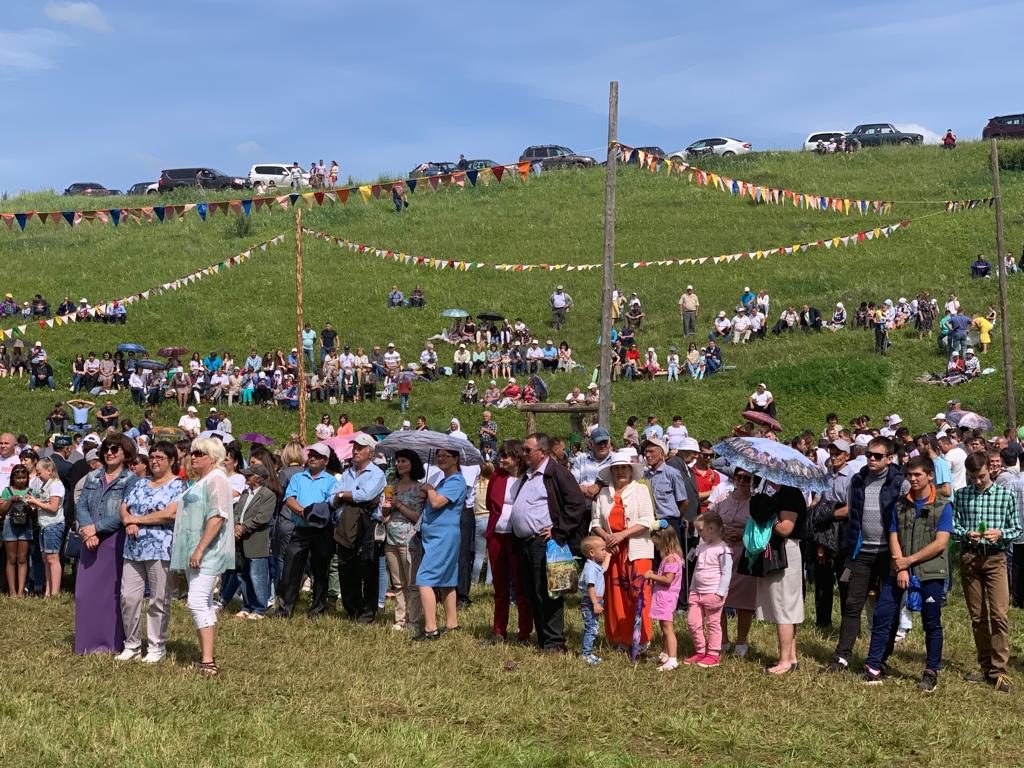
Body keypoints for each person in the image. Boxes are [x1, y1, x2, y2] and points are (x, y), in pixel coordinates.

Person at [861, 456, 952, 690]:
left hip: (931, 572)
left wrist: (908, 562)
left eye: (917, 475)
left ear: (930, 475)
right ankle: (874, 664)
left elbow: (941, 543)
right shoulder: (900, 505)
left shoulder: (942, 506)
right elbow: (893, 535)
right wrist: (899, 565)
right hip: (898, 568)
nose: (912, 479)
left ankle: (931, 670)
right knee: (884, 614)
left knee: (931, 622)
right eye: (909, 475)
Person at [824, 436, 903, 673]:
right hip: (862, 551)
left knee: (887, 608)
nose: (871, 459)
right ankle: (842, 656)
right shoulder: (857, 480)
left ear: (889, 459)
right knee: (852, 604)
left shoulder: (899, 481)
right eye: (869, 454)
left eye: (877, 456)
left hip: (889, 553)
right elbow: (852, 515)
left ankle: (880, 656)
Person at [510, 433, 589, 651]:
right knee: (533, 591)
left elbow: (577, 504)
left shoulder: (556, 473)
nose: (524, 454)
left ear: (542, 453)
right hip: (526, 542)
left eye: (528, 450)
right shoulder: (528, 475)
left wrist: (559, 531)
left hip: (544, 543)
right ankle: (544, 638)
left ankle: (554, 642)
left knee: (549, 592)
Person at [953, 451, 1021, 692]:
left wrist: (1001, 533)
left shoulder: (1005, 496)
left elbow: (1017, 529)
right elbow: (955, 526)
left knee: (999, 615)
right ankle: (985, 667)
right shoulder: (961, 496)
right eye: (973, 477)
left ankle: (999, 670)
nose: (977, 481)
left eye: (981, 476)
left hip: (995, 560)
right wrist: (965, 533)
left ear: (990, 471)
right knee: (978, 617)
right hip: (970, 558)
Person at [170, 437, 234, 676]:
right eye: (192, 453)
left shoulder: (217, 479)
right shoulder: (203, 480)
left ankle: (208, 660)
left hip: (208, 553)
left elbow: (217, 516)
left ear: (213, 458)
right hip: (196, 551)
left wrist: (199, 548)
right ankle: (206, 655)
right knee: (203, 603)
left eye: (199, 453)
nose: (193, 456)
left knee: (196, 601)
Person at [116, 441, 185, 662]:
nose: (154, 461)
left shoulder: (178, 486)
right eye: (152, 457)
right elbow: (124, 505)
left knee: (158, 599)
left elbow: (169, 514)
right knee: (129, 597)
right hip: (134, 547)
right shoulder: (139, 483)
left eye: (160, 457)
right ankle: (132, 644)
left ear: (172, 461)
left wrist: (137, 519)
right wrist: (128, 521)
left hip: (160, 548)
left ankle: (156, 646)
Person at [74, 434, 139, 654]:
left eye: (115, 449)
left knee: (109, 594)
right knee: (84, 593)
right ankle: (86, 642)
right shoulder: (92, 476)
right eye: (107, 449)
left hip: (113, 540)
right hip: (88, 539)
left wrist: (97, 528)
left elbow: (125, 512)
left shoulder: (131, 480)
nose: (109, 452)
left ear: (125, 453)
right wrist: (87, 529)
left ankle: (108, 644)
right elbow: (81, 505)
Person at [589, 450, 656, 653]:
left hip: (637, 549)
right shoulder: (603, 494)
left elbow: (647, 520)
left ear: (630, 469)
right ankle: (622, 638)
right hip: (613, 551)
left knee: (639, 593)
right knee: (616, 595)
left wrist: (623, 534)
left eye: (623, 468)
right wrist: (608, 536)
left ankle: (642, 638)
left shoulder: (640, 490)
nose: (620, 472)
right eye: (616, 468)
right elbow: (595, 522)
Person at [744, 480, 807, 674]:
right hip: (781, 551)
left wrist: (767, 515)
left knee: (784, 607)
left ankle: (784, 662)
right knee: (785, 607)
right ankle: (792, 658)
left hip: (785, 552)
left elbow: (785, 528)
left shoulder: (790, 493)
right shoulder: (782, 492)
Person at [275, 443, 337, 618]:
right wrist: (305, 513)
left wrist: (313, 515)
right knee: (291, 569)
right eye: (311, 455)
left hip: (321, 531)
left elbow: (329, 504)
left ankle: (317, 609)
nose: (313, 458)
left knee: (320, 570)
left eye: (317, 456)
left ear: (325, 461)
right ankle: (285, 608)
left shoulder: (331, 481)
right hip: (300, 528)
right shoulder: (298, 478)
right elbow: (289, 499)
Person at [331, 434, 386, 624]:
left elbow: (366, 495)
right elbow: (332, 497)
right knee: (346, 566)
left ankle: (367, 610)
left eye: (360, 448)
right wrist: (345, 495)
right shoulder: (347, 473)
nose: (355, 451)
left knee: (368, 566)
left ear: (370, 452)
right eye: (354, 447)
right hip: (346, 523)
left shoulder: (377, 474)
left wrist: (343, 494)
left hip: (367, 525)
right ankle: (351, 608)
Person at [413, 447, 467, 640]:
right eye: (439, 455)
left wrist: (430, 490)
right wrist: (425, 495)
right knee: (447, 581)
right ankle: (452, 624)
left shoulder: (456, 481)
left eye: (446, 455)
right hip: (437, 536)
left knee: (425, 578)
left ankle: (430, 628)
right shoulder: (445, 480)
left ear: (456, 459)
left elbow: (437, 503)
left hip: (443, 537)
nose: (441, 458)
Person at [485, 440, 533, 644]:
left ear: (517, 457)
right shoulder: (497, 475)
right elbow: (490, 502)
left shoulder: (529, 478)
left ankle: (524, 632)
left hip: (519, 535)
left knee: (522, 586)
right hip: (497, 534)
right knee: (500, 586)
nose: (501, 459)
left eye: (505, 456)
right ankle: (499, 631)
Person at [715, 468, 756, 656]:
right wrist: (721, 532)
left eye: (746, 478)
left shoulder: (756, 504)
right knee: (719, 598)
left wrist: (743, 534)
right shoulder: (723, 500)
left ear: (753, 480)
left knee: (744, 602)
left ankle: (741, 642)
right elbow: (710, 522)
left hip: (745, 556)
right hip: (722, 554)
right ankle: (722, 640)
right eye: (738, 477)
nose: (741, 481)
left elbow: (761, 530)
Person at [683, 513, 731, 668]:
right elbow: (693, 564)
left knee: (713, 623)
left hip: (713, 593)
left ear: (711, 529)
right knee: (693, 622)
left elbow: (726, 572)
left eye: (700, 530)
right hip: (697, 592)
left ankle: (713, 654)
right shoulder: (701, 547)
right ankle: (700, 650)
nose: (699, 534)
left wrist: (720, 594)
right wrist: (692, 589)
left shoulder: (723, 550)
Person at [383, 449, 424, 631]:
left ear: (412, 464)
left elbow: (418, 517)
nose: (399, 464)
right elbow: (384, 513)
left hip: (409, 538)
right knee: (397, 583)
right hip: (390, 537)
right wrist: (386, 506)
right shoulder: (392, 484)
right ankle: (399, 619)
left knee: (412, 582)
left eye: (403, 461)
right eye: (398, 461)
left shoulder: (419, 488)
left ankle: (413, 620)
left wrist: (398, 504)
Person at [233, 463, 276, 619]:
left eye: (249, 475)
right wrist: (236, 524)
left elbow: (262, 517)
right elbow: (237, 511)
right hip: (240, 540)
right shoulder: (245, 493)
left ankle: (259, 608)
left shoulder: (268, 495)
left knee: (257, 574)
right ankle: (247, 604)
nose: (246, 477)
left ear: (258, 478)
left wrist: (243, 528)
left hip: (256, 540)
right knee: (242, 573)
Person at [644, 525, 684, 671]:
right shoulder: (669, 558)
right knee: (663, 627)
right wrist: (655, 573)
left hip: (666, 598)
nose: (654, 545)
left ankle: (673, 659)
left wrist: (651, 576)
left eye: (656, 543)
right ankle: (666, 654)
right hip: (662, 597)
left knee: (668, 628)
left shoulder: (671, 560)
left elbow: (668, 580)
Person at [1, 465, 34, 596]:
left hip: (25, 525)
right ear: (13, 478)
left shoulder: (30, 491)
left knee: (22, 558)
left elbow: (35, 513)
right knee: (11, 558)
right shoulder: (7, 491)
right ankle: (12, 590)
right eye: (18, 478)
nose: (21, 480)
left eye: (24, 478)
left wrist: (30, 504)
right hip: (10, 524)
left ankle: (21, 590)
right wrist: (10, 500)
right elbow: (2, 511)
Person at [579, 535, 609, 665]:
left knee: (594, 627)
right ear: (592, 553)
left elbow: (605, 568)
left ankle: (588, 652)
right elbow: (591, 587)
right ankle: (585, 654)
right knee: (590, 628)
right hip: (590, 602)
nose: (605, 552)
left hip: (595, 602)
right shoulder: (590, 568)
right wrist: (595, 603)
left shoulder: (595, 565)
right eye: (602, 550)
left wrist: (609, 555)